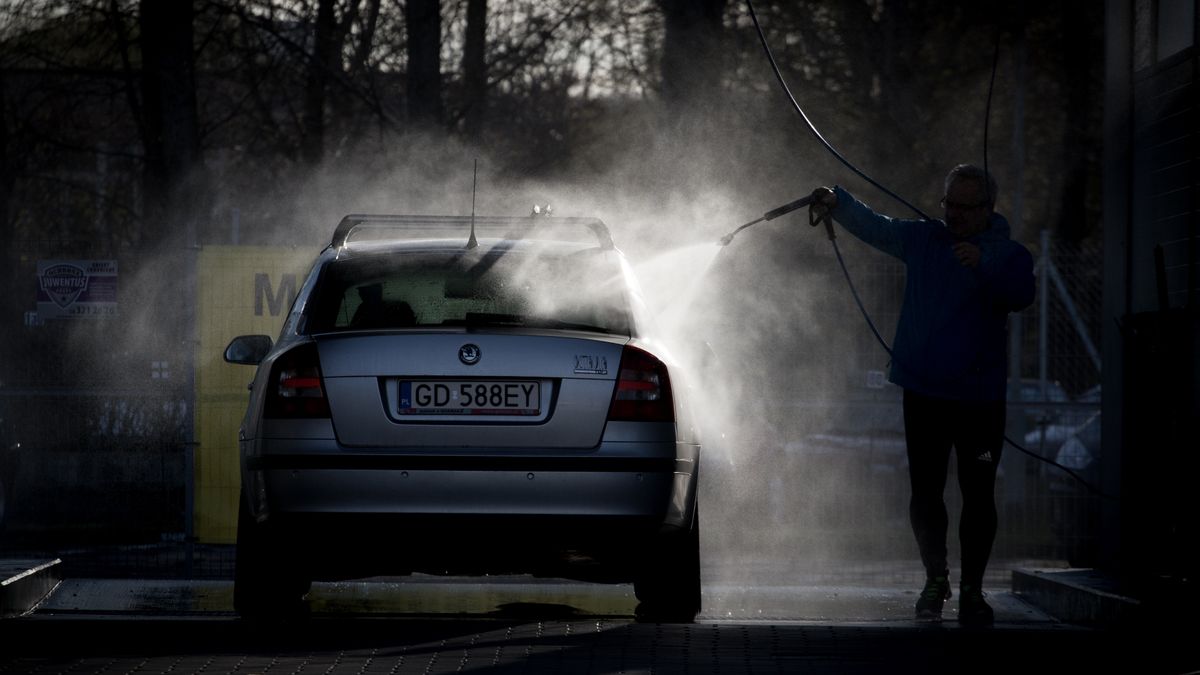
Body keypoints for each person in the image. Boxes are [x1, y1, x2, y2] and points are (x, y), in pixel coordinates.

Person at [810, 165, 1036, 625]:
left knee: (978, 494)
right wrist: (839, 201)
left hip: (979, 398)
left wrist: (985, 264)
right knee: (926, 493)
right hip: (924, 391)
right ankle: (936, 578)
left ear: (988, 209)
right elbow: (880, 227)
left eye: (965, 206)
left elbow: (1020, 294)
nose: (953, 214)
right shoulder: (924, 240)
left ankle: (973, 590)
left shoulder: (1008, 254)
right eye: (948, 203)